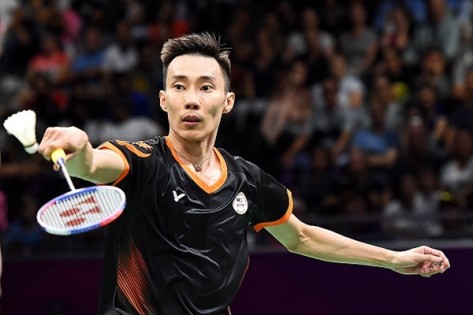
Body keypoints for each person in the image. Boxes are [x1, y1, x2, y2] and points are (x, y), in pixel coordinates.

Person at [37, 32, 450, 315]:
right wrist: (77, 146)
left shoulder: (246, 180)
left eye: (205, 87)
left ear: (228, 100)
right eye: (179, 87)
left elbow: (301, 236)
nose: (192, 100)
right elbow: (91, 165)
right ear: (163, 100)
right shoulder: (142, 162)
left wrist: (394, 259)